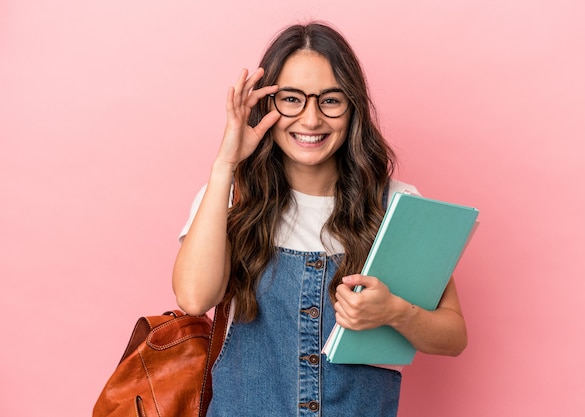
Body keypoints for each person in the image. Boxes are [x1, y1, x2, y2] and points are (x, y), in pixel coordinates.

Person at [172, 22, 467, 416]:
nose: (311, 120)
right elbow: (194, 299)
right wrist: (226, 163)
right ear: (268, 105)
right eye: (291, 99)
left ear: (353, 107)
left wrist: (394, 312)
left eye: (330, 100)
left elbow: (453, 337)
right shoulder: (228, 198)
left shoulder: (397, 206)